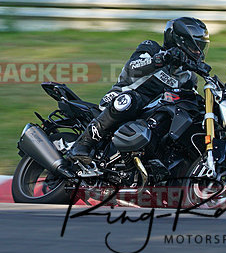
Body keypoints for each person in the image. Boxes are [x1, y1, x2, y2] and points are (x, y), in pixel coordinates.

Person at [66, 17, 210, 165]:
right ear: (181, 42)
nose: (198, 52)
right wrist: (162, 59)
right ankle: (82, 144)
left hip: (150, 115)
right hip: (121, 97)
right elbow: (133, 68)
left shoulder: (188, 76)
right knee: (131, 100)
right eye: (196, 47)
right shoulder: (152, 48)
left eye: (201, 47)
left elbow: (187, 99)